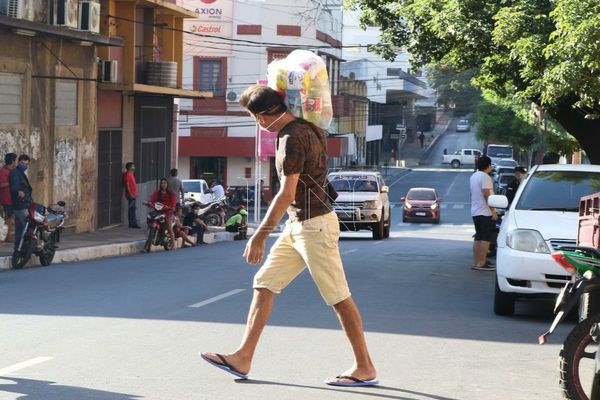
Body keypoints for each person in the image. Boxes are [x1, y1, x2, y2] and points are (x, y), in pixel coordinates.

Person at [201, 85, 378, 387]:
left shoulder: (290, 138)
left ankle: (364, 367)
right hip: (299, 225)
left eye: (256, 117)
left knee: (338, 297)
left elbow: (286, 193)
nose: (258, 123)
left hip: (314, 226)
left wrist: (260, 234)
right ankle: (243, 357)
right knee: (264, 284)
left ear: (266, 114)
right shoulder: (310, 128)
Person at [470, 156, 497, 271]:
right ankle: (482, 262)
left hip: (475, 210)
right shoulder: (485, 177)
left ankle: (476, 262)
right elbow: (487, 195)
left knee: (478, 237)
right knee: (485, 238)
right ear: (488, 165)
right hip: (484, 212)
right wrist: (493, 211)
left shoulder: (474, 176)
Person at [9, 154, 32, 250]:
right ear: (18, 162)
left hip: (24, 203)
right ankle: (24, 248)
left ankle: (18, 249)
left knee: (19, 229)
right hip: (20, 204)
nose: (24, 165)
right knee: (25, 228)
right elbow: (14, 186)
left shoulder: (21, 173)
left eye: (26, 164)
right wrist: (19, 191)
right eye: (23, 163)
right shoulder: (15, 172)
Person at [148, 178, 177, 248]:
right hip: (158, 212)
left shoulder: (171, 194)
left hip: (168, 212)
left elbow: (173, 203)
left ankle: (173, 244)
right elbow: (152, 201)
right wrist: (149, 203)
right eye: (162, 183)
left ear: (167, 184)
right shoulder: (157, 193)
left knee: (169, 228)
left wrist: (172, 207)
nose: (163, 185)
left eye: (165, 183)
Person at [0, 153, 17, 242]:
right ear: (12, 161)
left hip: (15, 198)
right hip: (6, 199)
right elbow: (1, 184)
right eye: (15, 160)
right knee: (8, 218)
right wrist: (11, 182)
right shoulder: (3, 171)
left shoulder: (14, 170)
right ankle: (7, 237)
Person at [123, 162, 140, 228]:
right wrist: (130, 194)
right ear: (129, 167)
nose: (134, 167)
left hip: (133, 194)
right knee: (132, 209)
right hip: (131, 195)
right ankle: (132, 223)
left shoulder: (131, 174)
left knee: (133, 209)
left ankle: (133, 223)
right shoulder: (127, 174)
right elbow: (127, 185)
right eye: (133, 166)